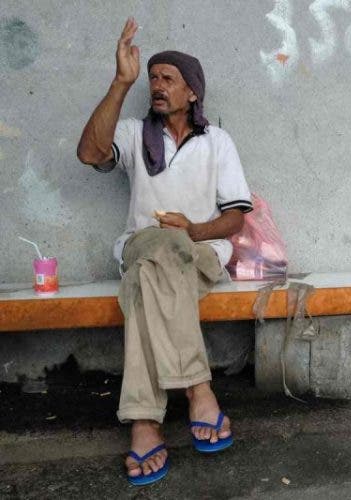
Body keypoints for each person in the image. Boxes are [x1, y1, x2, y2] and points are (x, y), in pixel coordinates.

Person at [76, 17, 252, 486]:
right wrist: (120, 82)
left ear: (192, 91)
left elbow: (236, 217)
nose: (156, 86)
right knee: (153, 252)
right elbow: (91, 153)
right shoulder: (134, 134)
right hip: (144, 246)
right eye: (152, 78)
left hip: (200, 251)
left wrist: (192, 228)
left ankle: (144, 421)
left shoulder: (218, 142)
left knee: (146, 279)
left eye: (167, 79)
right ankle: (198, 390)